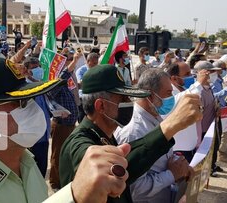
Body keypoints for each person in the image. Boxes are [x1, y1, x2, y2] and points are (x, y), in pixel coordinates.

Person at [0, 57, 133, 202]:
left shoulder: (26, 161)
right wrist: (73, 196)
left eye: (31, 99)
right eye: (21, 103)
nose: (33, 108)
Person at [59, 64, 203, 202]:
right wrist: (171, 125)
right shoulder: (80, 143)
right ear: (101, 105)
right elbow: (110, 170)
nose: (130, 103)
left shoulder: (104, 136)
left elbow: (128, 169)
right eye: (123, 98)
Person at [114, 69, 192, 203]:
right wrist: (172, 175)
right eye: (168, 93)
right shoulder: (133, 132)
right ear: (150, 96)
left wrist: (180, 165)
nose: (171, 98)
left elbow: (161, 159)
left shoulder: (155, 117)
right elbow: (134, 188)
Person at [47, 51, 81, 191]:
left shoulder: (66, 86)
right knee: (57, 154)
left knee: (67, 154)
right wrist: (74, 62)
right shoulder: (55, 86)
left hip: (70, 126)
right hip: (61, 126)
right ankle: (55, 183)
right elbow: (63, 77)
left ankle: (64, 179)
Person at [194, 61, 223, 177]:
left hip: (211, 126)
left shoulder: (209, 88)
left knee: (213, 149)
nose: (214, 74)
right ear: (204, 73)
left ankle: (211, 167)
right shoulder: (198, 91)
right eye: (211, 71)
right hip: (202, 130)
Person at [76, 53, 99, 122]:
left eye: (96, 63)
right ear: (88, 61)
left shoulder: (98, 70)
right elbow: (81, 84)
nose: (95, 65)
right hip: (83, 98)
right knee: (82, 119)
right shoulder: (80, 71)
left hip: (94, 98)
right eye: (94, 63)